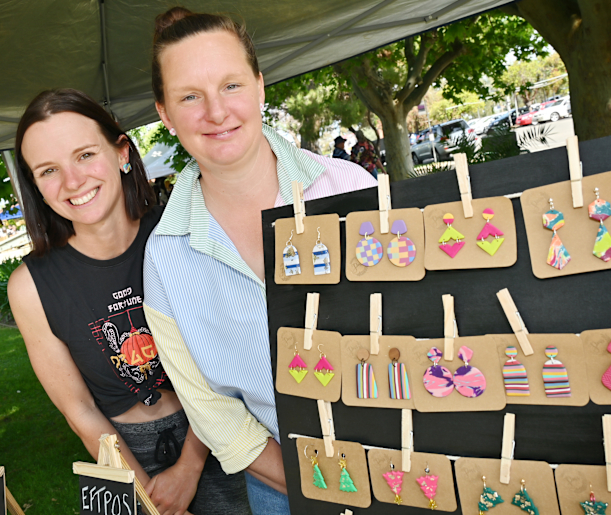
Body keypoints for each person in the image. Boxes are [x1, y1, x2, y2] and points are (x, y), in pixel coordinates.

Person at [142, 7, 377, 514]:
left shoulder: (351, 188)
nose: (216, 112)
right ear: (164, 114)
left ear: (260, 86)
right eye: (189, 96)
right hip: (286, 486)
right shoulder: (164, 258)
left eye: (231, 85)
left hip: (409, 460)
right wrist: (326, 492)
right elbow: (212, 410)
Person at [9, 89, 251, 514]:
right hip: (122, 457)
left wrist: (190, 466)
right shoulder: (29, 286)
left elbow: (231, 356)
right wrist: (147, 496)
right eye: (48, 170)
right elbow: (81, 412)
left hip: (221, 429)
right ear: (35, 186)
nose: (72, 181)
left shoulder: (180, 229)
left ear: (122, 152)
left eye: (85, 155)